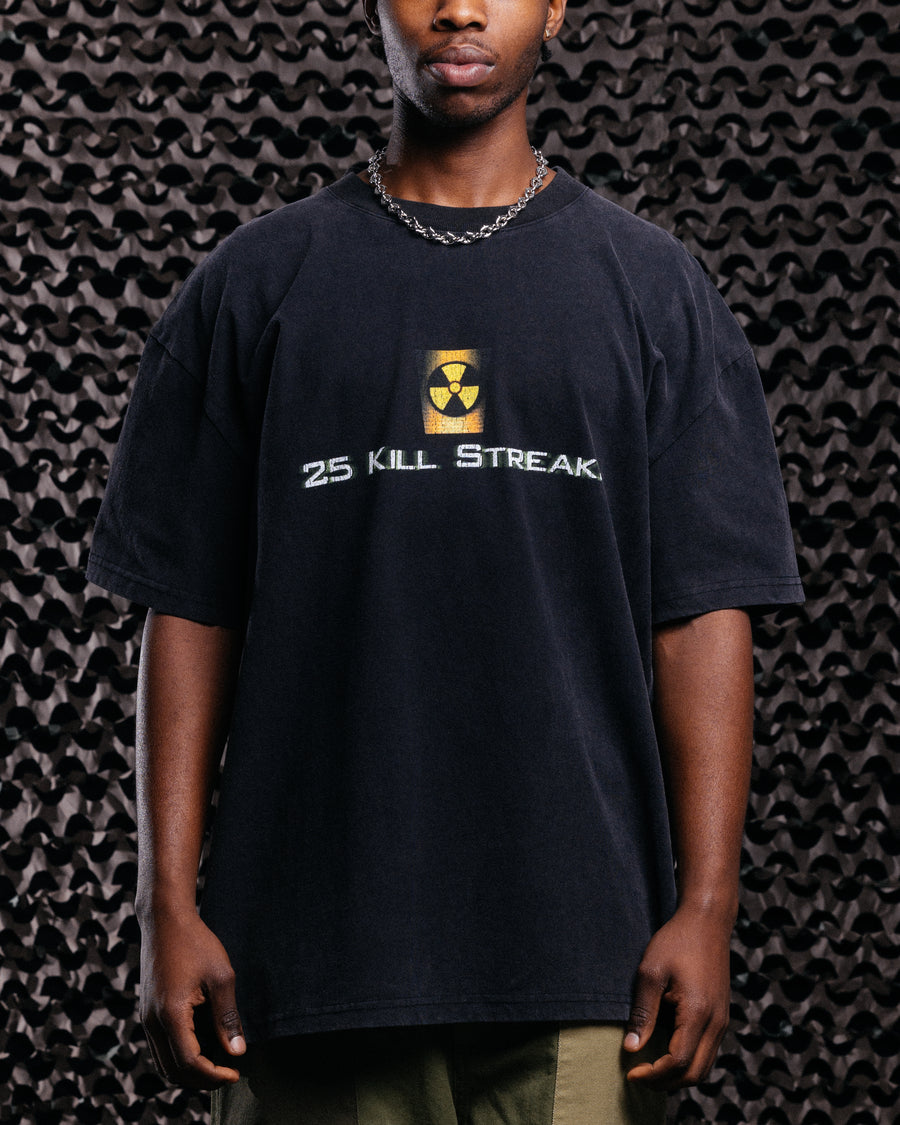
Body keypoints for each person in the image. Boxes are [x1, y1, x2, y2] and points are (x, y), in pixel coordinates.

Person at [86, 0, 803, 1121]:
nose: (460, 7)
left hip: (588, 962)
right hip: (310, 960)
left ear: (555, 7)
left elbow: (703, 614)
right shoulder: (254, 286)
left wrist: (707, 905)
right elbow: (187, 610)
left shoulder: (654, 291)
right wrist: (164, 904)